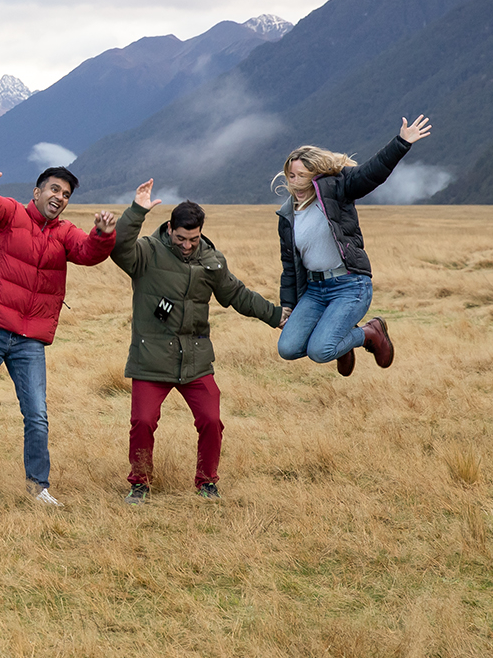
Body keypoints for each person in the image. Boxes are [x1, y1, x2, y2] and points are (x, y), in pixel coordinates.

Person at [0, 165, 117, 513]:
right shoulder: (10, 214)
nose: (59, 197)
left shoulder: (64, 233)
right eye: (54, 190)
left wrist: (103, 234)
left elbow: (89, 252)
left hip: (29, 338)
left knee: (37, 414)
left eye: (66, 195)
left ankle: (37, 487)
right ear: (37, 192)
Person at [110, 180, 281, 503]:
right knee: (143, 421)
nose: (187, 245)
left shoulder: (211, 261)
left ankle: (207, 483)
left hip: (195, 359)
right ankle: (139, 484)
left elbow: (238, 295)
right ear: (170, 228)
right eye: (181, 238)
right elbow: (118, 247)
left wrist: (276, 317)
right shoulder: (146, 252)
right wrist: (136, 211)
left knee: (211, 421)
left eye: (194, 239)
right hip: (151, 358)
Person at [275, 116, 431, 377]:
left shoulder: (338, 188)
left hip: (349, 285)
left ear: (315, 175)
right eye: (291, 175)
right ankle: (340, 340)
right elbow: (290, 267)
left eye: (302, 175)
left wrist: (401, 143)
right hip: (314, 291)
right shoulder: (287, 216)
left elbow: (372, 172)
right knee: (288, 348)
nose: (295, 181)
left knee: (320, 351)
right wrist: (287, 306)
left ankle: (369, 333)